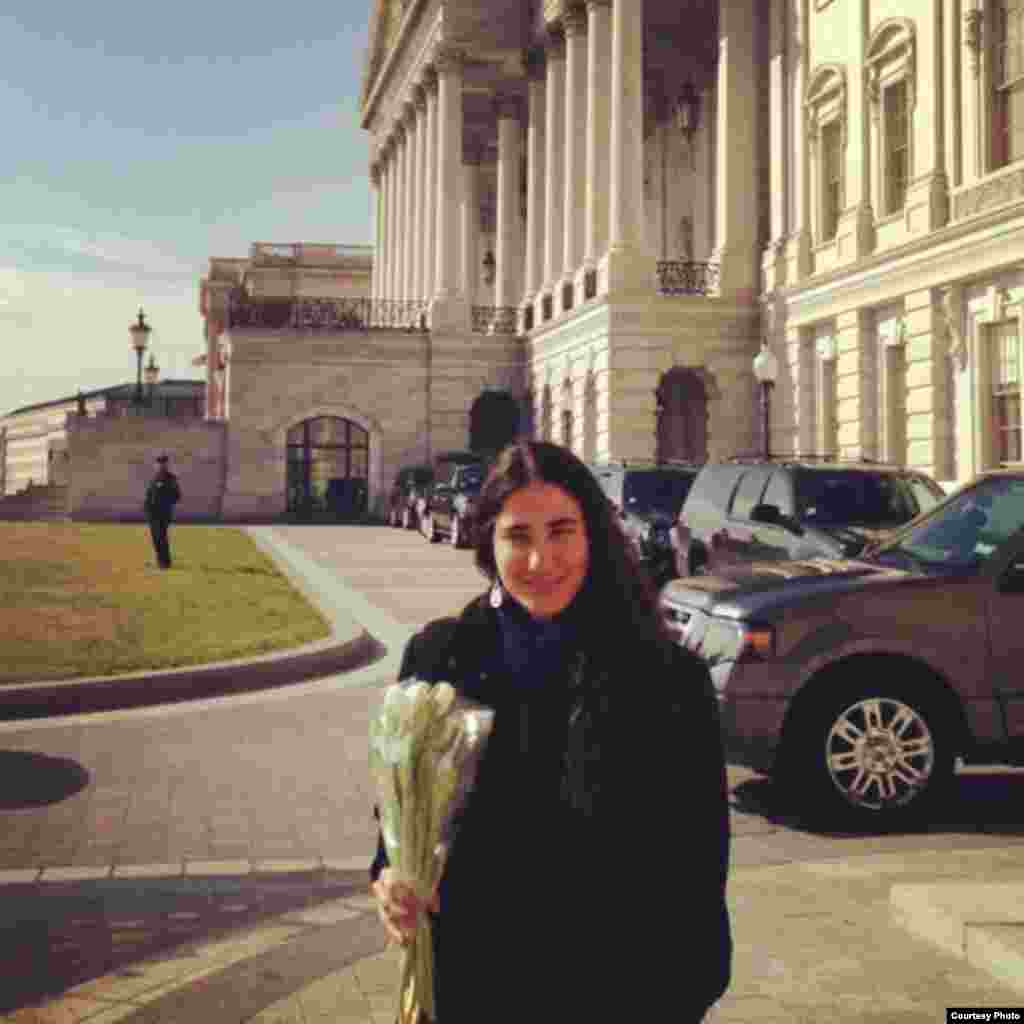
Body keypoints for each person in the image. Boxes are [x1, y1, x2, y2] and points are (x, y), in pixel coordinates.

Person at [370, 441, 732, 1022]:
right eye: (518, 536)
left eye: (561, 531)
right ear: (487, 540)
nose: (541, 561)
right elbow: (398, 821)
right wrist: (392, 879)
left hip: (618, 996)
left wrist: (673, 999)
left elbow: (696, 873)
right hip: (472, 991)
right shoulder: (440, 659)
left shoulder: (667, 679)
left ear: (593, 535)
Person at [144, 454, 181, 569]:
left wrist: (164, 502)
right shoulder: (154, 478)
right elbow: (149, 494)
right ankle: (160, 561)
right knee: (156, 538)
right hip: (152, 514)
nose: (160, 465)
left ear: (166, 464)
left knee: (161, 537)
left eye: (163, 463)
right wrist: (146, 507)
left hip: (163, 513)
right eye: (158, 463)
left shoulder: (171, 478)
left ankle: (165, 562)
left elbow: (177, 496)